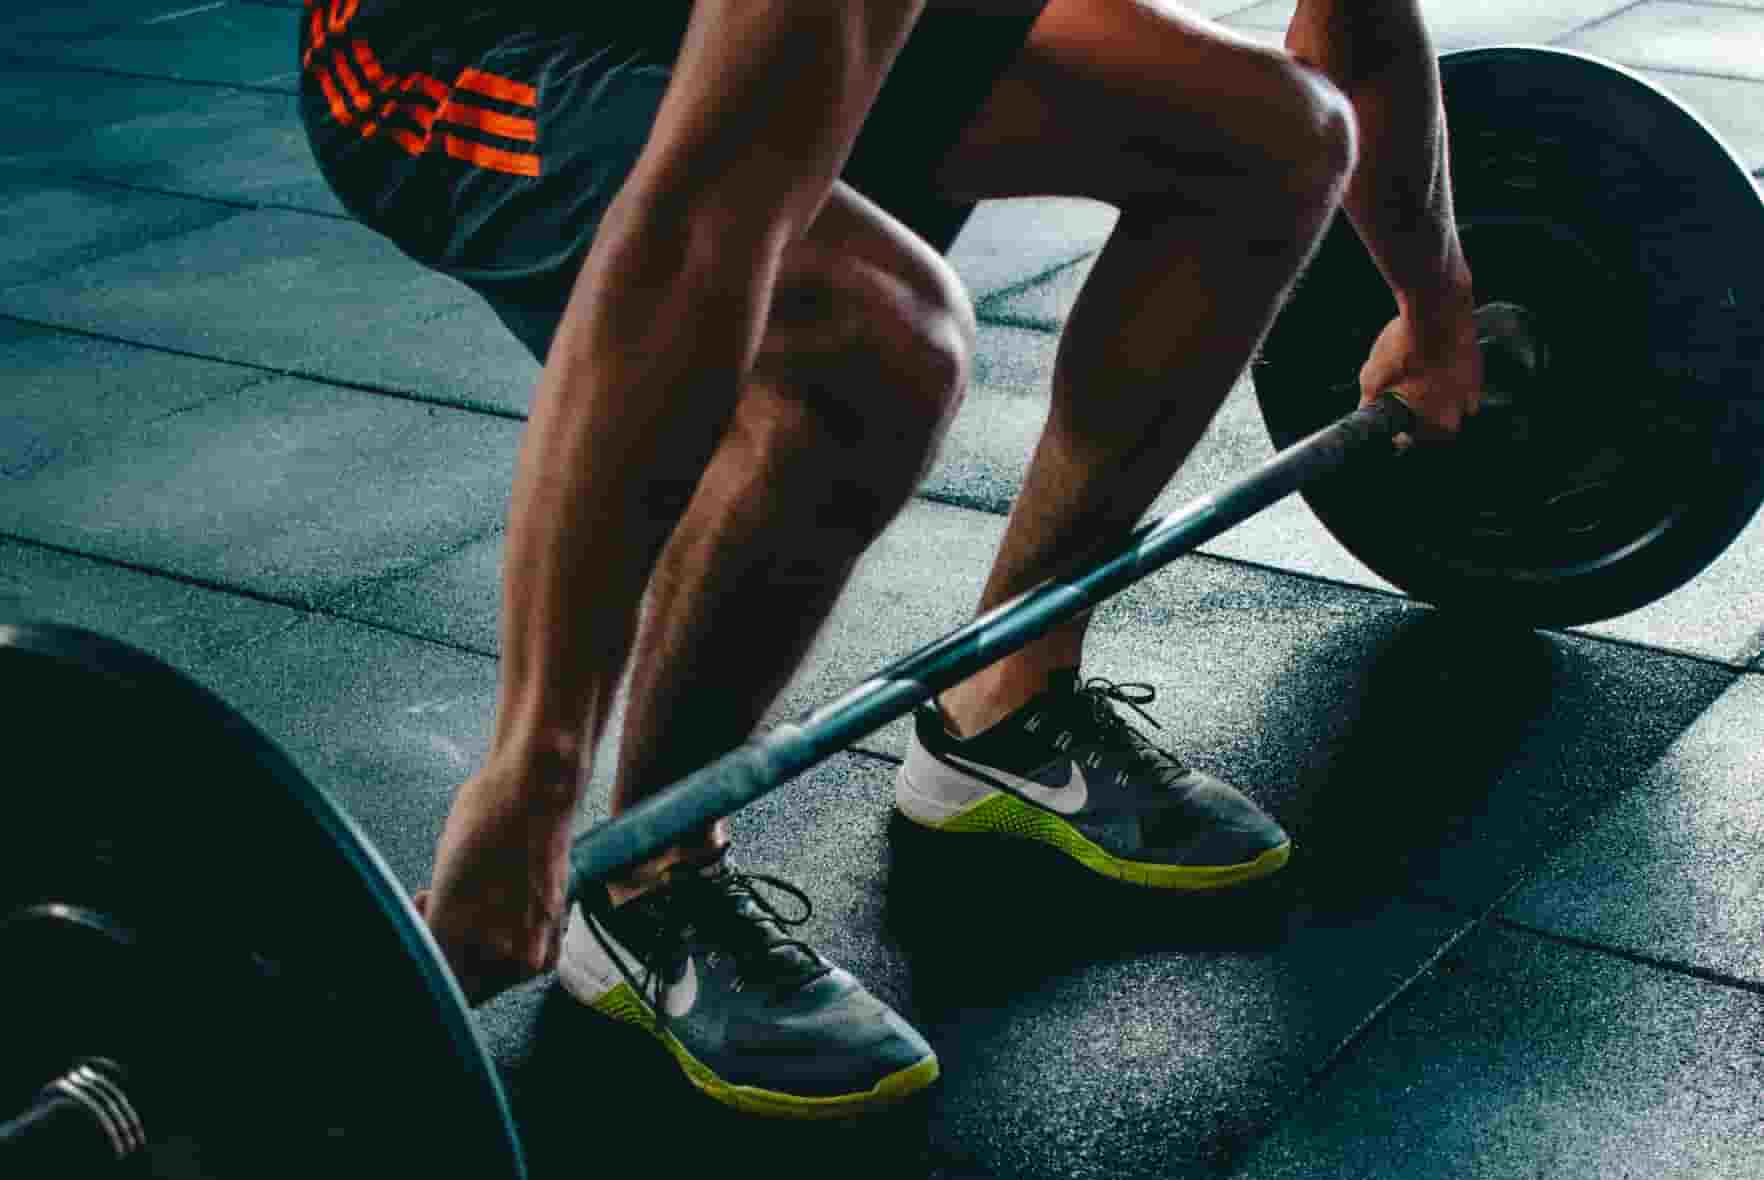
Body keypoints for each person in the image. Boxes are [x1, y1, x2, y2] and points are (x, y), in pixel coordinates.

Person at [299, 0, 1482, 1118]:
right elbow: (698, 235)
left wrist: (1436, 309)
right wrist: (532, 773)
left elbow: (1360, 35)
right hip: (455, 40)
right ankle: (649, 882)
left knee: (1272, 135)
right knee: (878, 340)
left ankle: (1005, 701)